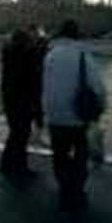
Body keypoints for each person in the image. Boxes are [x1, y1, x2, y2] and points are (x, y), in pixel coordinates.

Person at [42, 19, 106, 208]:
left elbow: (44, 86)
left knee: (60, 156)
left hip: (56, 116)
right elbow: (97, 86)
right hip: (79, 116)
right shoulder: (83, 56)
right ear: (77, 35)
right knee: (80, 156)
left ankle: (65, 189)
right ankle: (76, 191)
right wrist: (100, 107)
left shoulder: (50, 56)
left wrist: (45, 111)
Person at [0, 28, 39, 178]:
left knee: (15, 134)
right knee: (21, 135)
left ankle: (7, 163)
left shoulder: (9, 53)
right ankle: (19, 166)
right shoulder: (26, 55)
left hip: (10, 99)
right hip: (23, 100)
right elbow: (32, 77)